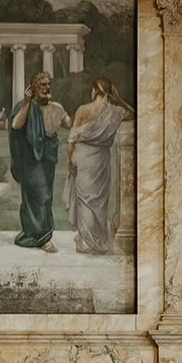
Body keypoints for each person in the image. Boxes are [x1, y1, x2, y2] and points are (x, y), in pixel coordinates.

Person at [64, 77, 134, 254]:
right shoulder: (115, 111)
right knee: (98, 202)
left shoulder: (82, 110)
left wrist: (69, 160)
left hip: (83, 157)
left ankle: (84, 239)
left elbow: (71, 140)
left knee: (84, 201)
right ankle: (92, 240)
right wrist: (118, 99)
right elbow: (132, 112)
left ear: (95, 91)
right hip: (101, 160)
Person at [8, 71, 71, 251]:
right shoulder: (25, 106)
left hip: (46, 159)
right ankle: (41, 237)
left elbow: (69, 123)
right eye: (43, 85)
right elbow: (16, 125)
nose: (47, 88)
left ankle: (37, 235)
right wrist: (27, 103)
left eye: (48, 84)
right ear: (33, 87)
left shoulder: (54, 107)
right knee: (38, 196)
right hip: (30, 160)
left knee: (45, 197)